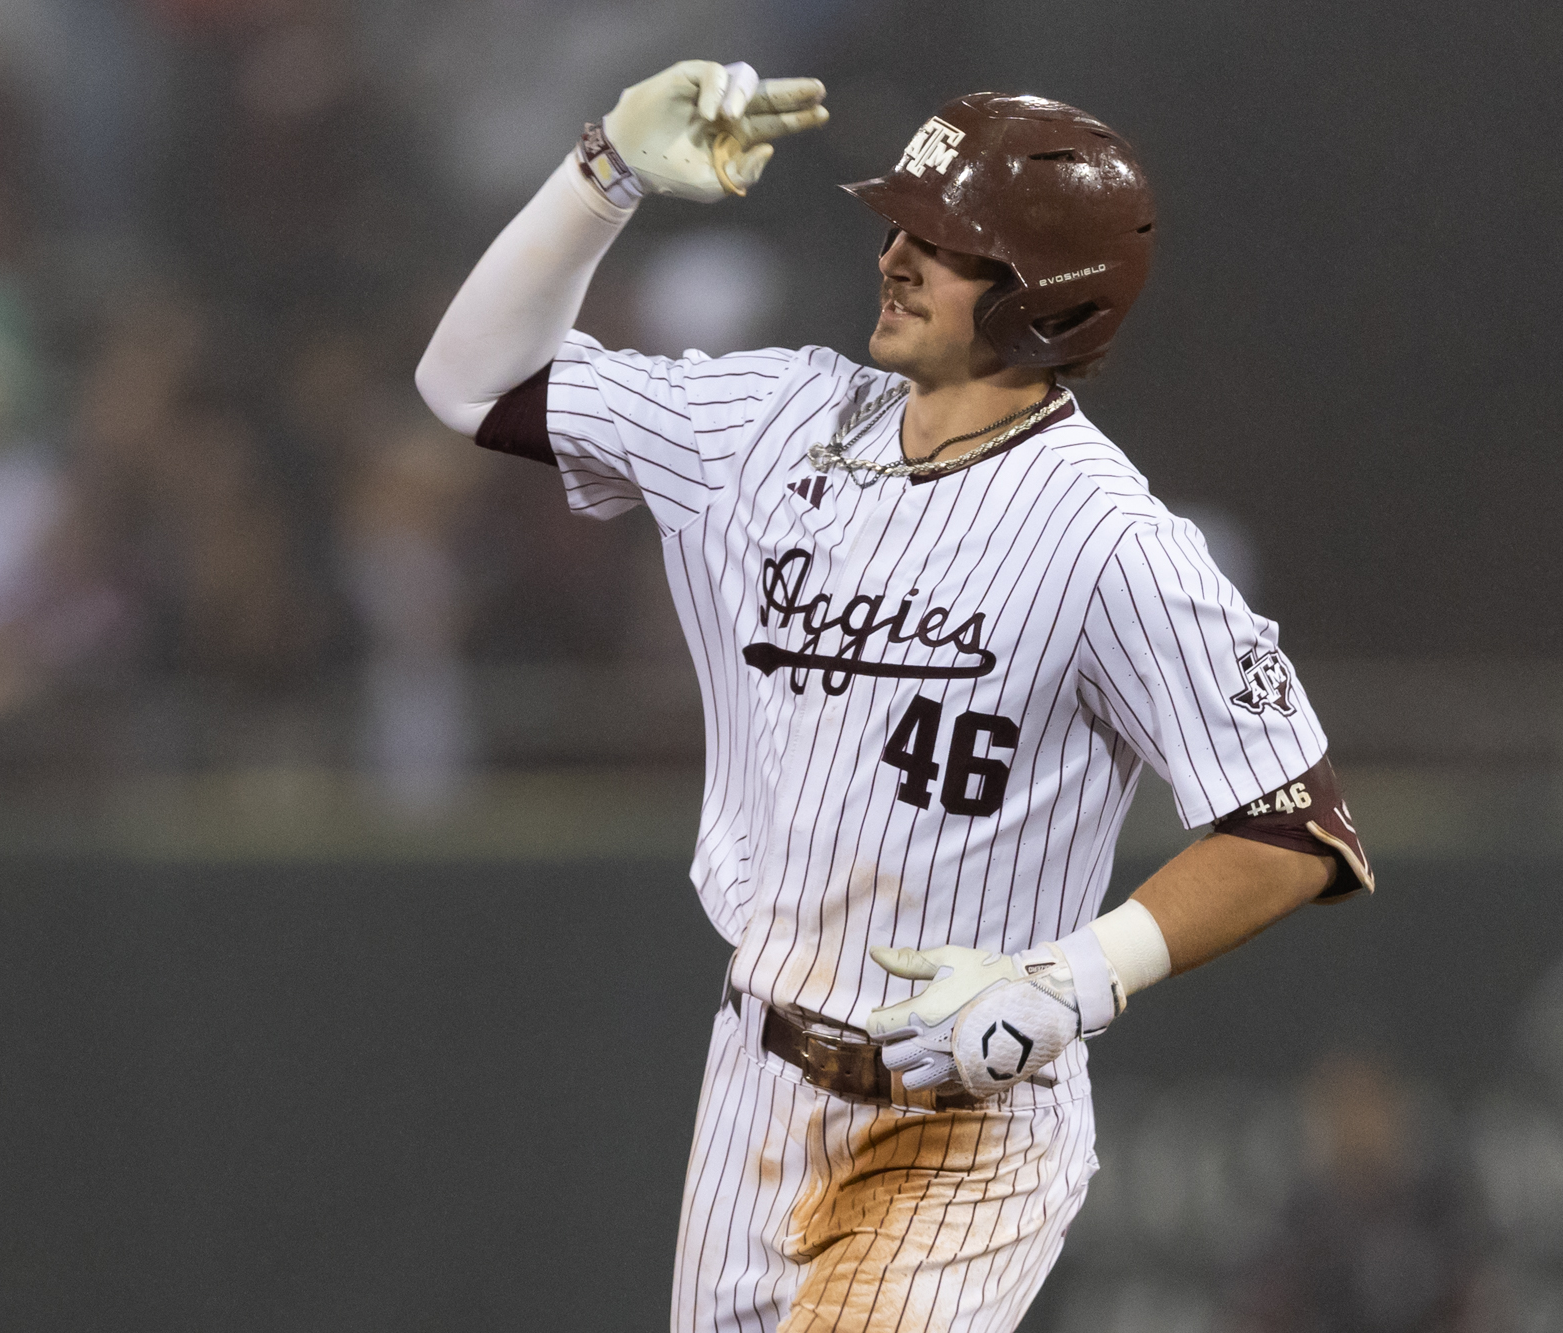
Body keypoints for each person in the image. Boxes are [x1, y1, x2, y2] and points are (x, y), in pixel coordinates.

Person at [416, 61, 1375, 1332]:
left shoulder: (1108, 540)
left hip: (964, 1118)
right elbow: (468, 384)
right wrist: (605, 175)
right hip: (756, 1073)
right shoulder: (774, 418)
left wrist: (1074, 977)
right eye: (900, 228)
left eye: (948, 244)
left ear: (1046, 297)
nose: (896, 259)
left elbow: (1294, 828)